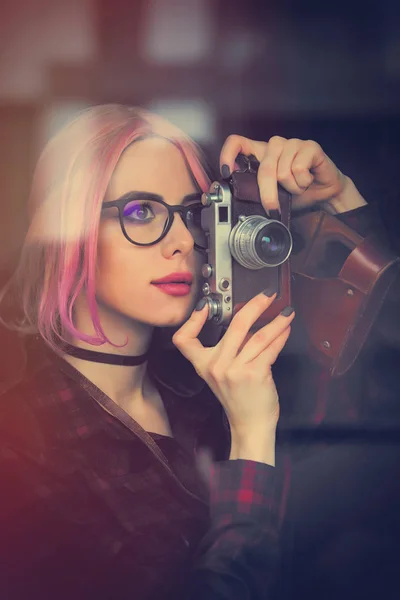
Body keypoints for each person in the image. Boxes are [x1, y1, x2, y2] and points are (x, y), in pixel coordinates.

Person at [0, 103, 386, 600]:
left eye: (195, 213)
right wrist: (250, 442)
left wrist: (342, 209)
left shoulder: (214, 381)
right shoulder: (24, 444)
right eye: (142, 212)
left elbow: (378, 428)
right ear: (67, 232)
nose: (183, 240)